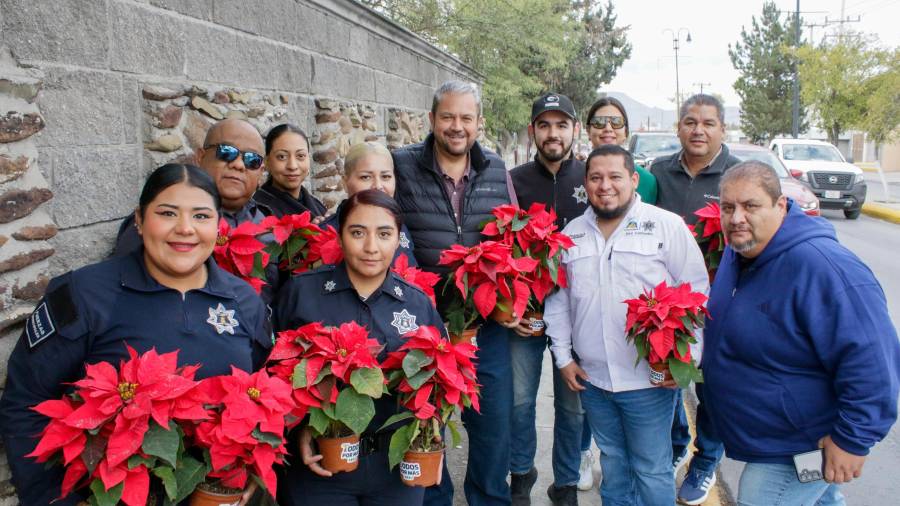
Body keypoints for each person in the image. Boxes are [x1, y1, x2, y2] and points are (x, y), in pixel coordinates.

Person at [0, 164, 271, 505]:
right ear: (140, 221)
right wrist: (53, 499)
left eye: (201, 216)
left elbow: (261, 388)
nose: (185, 229)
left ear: (219, 226)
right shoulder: (85, 294)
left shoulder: (244, 300)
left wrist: (249, 469)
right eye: (167, 213)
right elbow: (26, 401)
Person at [703, 161, 900, 505]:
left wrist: (853, 440)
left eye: (750, 206)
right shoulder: (743, 253)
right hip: (772, 438)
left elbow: (873, 360)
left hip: (802, 444)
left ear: (780, 206)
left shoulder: (822, 266)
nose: (736, 217)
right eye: (728, 207)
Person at [545, 145, 708, 506]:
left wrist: (687, 360)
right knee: (614, 467)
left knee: (651, 470)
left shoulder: (664, 225)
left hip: (647, 382)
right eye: (596, 177)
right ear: (586, 183)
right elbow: (558, 301)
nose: (605, 186)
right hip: (595, 380)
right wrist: (562, 358)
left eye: (615, 176)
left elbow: (697, 293)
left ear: (634, 179)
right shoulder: (572, 233)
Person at [273, 189, 446, 506]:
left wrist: (434, 442)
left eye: (384, 234)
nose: (371, 247)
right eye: (357, 233)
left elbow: (439, 384)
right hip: (319, 466)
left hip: (395, 468)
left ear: (398, 240)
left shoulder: (417, 304)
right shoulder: (302, 292)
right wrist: (298, 430)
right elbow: (274, 375)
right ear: (339, 236)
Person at [392, 80, 520, 506]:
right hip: (425, 325)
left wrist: (511, 302)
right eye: (447, 116)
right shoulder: (402, 165)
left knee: (492, 423)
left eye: (466, 118)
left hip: (484, 327)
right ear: (432, 120)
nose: (456, 126)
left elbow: (513, 241)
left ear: (479, 123)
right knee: (426, 422)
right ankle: (434, 498)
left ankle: (489, 498)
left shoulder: (497, 170)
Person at [649, 93, 740, 505]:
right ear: (678, 127)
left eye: (707, 123)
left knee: (714, 392)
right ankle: (676, 446)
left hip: (722, 303)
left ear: (722, 129)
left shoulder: (739, 175)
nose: (698, 130)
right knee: (664, 380)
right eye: (689, 122)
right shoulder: (658, 172)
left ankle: (704, 463)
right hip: (667, 305)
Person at [507, 93, 587, 506]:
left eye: (561, 125)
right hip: (527, 315)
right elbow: (500, 248)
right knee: (520, 403)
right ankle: (521, 476)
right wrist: (509, 306)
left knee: (573, 408)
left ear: (575, 129)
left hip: (575, 318)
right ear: (532, 130)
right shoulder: (512, 180)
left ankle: (567, 484)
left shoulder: (592, 178)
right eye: (544, 125)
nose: (552, 133)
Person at [113, 118, 280, 304]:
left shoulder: (269, 225)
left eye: (252, 160)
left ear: (261, 172)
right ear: (200, 157)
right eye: (226, 152)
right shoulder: (159, 224)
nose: (239, 165)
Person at [322, 141, 417, 266]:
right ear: (345, 182)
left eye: (386, 176)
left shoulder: (400, 226)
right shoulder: (325, 232)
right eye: (366, 177)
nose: (378, 186)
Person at [585, 96, 657, 204]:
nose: (608, 128)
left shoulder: (647, 180)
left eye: (616, 122)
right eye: (599, 122)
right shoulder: (574, 176)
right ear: (588, 131)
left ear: (626, 132)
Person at [254, 123, 327, 218]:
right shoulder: (258, 210)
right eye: (282, 157)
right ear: (267, 162)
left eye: (300, 156)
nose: (292, 166)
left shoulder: (318, 206)